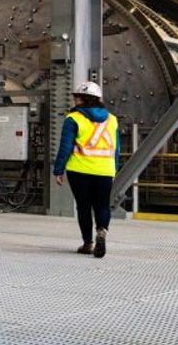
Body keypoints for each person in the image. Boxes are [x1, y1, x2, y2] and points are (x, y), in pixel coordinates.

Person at [52, 81, 120, 258]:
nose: (75, 100)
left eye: (77, 97)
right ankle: (102, 231)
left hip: (79, 169)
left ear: (82, 99)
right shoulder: (112, 119)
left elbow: (66, 147)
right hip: (105, 169)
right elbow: (116, 148)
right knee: (102, 205)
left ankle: (88, 243)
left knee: (84, 207)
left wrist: (58, 170)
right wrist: (114, 168)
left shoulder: (73, 118)